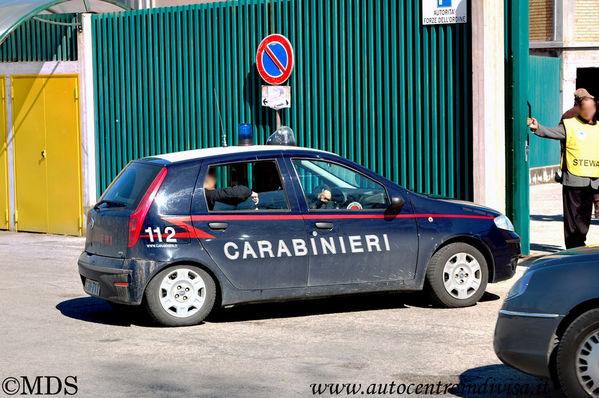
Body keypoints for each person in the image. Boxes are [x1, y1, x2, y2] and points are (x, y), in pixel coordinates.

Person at [528, 95, 599, 249]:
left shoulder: (598, 126)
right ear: (579, 109)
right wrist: (537, 127)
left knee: (585, 216)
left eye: (591, 108)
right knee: (572, 217)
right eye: (585, 108)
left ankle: (580, 242)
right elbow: (552, 132)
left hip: (592, 180)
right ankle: (574, 246)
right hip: (574, 178)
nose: (588, 111)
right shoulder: (570, 124)